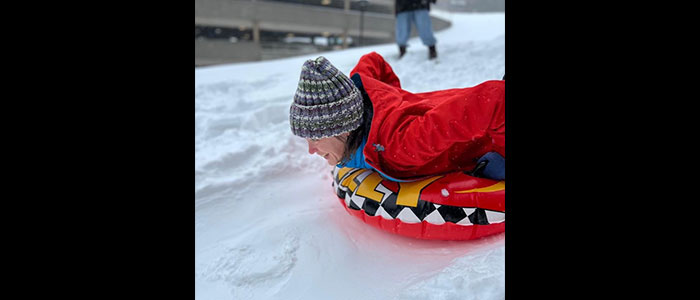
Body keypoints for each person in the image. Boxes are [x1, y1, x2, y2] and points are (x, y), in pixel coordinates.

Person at [289, 52, 504, 182]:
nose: (311, 150)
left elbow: (497, 99)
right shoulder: (357, 101)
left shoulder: (401, 146)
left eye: (315, 138)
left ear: (342, 128)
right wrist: (399, 102)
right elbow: (372, 61)